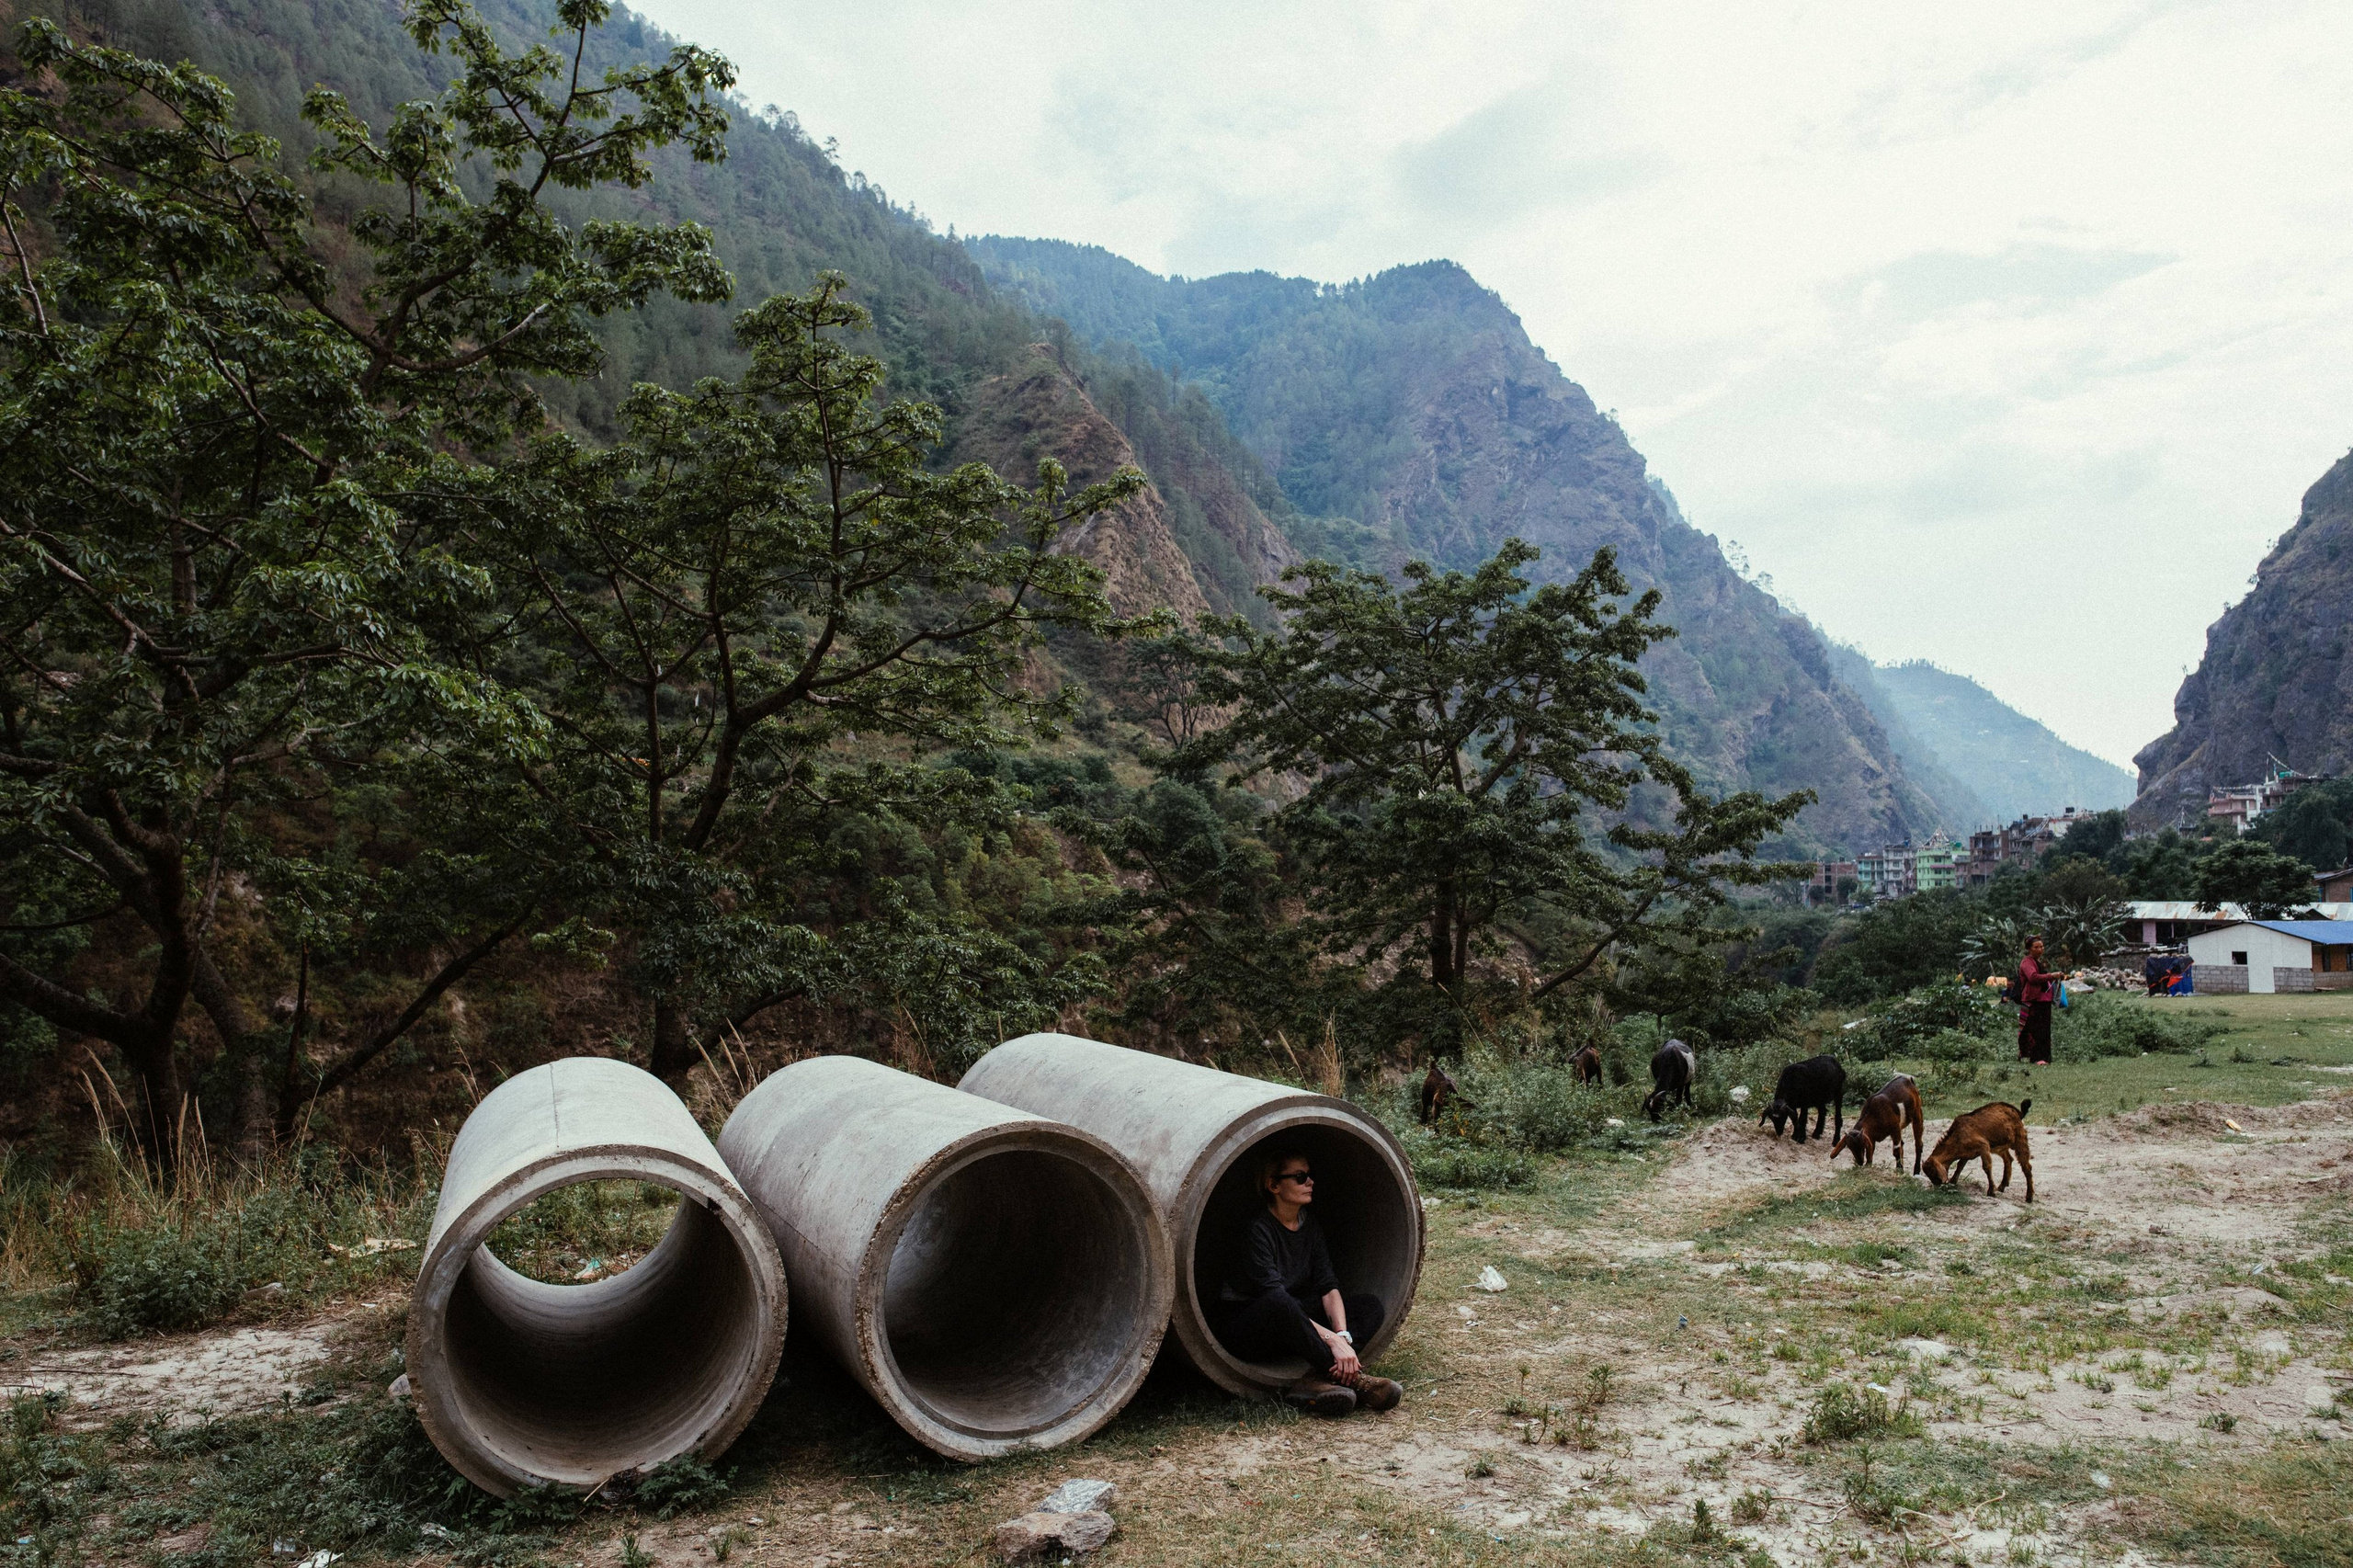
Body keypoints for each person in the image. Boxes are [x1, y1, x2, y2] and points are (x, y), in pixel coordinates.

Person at [1210, 1148, 1403, 1417]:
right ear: (1274, 1185)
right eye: (1300, 1177)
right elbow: (1274, 1298)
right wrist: (1331, 1341)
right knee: (1279, 1300)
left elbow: (1327, 1285)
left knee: (1368, 1306)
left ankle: (1315, 1379)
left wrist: (1342, 1335)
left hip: (1294, 1323)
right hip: (1250, 1327)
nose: (1310, 1182)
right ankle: (1356, 1382)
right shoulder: (1258, 1230)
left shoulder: (1309, 1226)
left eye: (1310, 1175)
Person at [2014, 935, 2060, 1066]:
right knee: (2035, 1030)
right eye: (2036, 947)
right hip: (2033, 1000)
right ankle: (2036, 1058)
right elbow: (2033, 977)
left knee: (2044, 1029)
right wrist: (2051, 975)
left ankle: (2045, 1057)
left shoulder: (2038, 962)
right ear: (2029, 949)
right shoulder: (2027, 962)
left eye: (2041, 946)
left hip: (2044, 1000)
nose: (2040, 949)